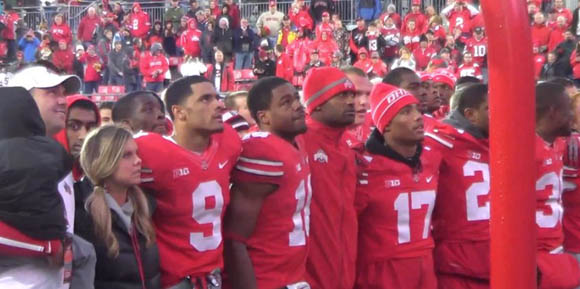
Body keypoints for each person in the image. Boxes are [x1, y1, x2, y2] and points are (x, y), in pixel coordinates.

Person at [134, 76, 242, 288]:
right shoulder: (148, 150)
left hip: (214, 276)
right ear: (179, 112)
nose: (219, 104)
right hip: (174, 280)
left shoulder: (228, 141)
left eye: (217, 98)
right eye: (205, 99)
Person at [5, 67, 97, 289]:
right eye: (52, 93)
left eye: (63, 93)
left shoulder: (56, 156)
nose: (63, 101)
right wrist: (46, 246)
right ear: (23, 99)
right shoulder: (6, 154)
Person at [224, 76, 311, 289]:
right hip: (266, 279)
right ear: (264, 117)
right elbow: (234, 239)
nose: (298, 106)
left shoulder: (295, 142)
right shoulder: (262, 151)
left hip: (293, 276)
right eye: (286, 103)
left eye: (297, 98)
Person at [355, 83, 439, 289]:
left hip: (425, 266)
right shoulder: (364, 168)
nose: (418, 117)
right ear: (387, 124)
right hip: (382, 272)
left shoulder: (432, 157)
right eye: (406, 112)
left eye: (417, 110)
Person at [424, 83, 492, 289]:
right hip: (456, 264)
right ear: (470, 114)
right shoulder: (438, 142)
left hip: (491, 259)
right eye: (492, 107)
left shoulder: (499, 142)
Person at [78, 125, 160, 289]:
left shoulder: (145, 206)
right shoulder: (80, 214)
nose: (138, 160)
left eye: (136, 153)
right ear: (104, 161)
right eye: (126, 155)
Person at [301, 67, 358, 289]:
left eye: (352, 95)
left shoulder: (347, 145)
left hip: (343, 271)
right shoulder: (298, 139)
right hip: (308, 275)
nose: (351, 101)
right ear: (318, 102)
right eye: (342, 95)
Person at [534, 82, 580, 289]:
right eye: (568, 109)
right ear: (553, 111)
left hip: (556, 248)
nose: (572, 115)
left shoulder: (561, 143)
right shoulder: (521, 147)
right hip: (532, 254)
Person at [342, 66, 373, 148]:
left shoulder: (375, 128)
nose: (364, 101)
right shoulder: (312, 136)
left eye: (368, 94)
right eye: (355, 94)